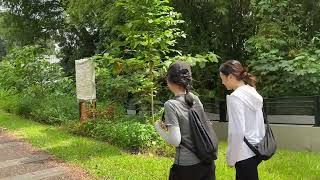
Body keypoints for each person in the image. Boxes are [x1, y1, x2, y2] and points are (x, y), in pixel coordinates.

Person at [155, 61, 215, 180]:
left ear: (169, 81)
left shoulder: (170, 105)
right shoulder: (195, 99)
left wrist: (158, 128)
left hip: (186, 167)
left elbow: (175, 141)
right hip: (207, 162)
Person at [219, 60, 265, 180]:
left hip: (243, 154)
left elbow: (238, 131)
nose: (222, 82)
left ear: (230, 76)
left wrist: (231, 158)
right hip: (256, 150)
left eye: (222, 78)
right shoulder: (251, 91)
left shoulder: (236, 97)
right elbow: (260, 124)